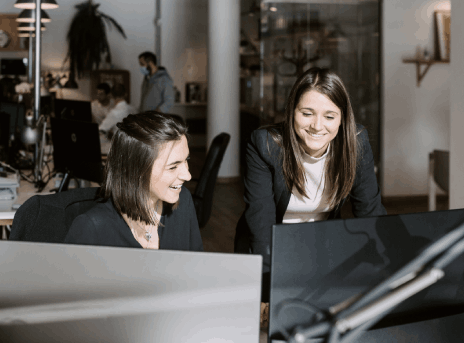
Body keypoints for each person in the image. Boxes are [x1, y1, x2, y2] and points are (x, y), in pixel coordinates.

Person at [234, 67, 386, 302]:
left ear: (342, 118)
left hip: (321, 247)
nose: (317, 126)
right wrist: (265, 292)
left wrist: (390, 268)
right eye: (307, 113)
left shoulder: (356, 142)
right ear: (292, 111)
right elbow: (261, 221)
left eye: (329, 116)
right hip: (267, 249)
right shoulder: (265, 144)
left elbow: (371, 212)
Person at [65, 111, 203, 251]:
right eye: (173, 167)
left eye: (186, 160)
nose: (188, 176)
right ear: (137, 170)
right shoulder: (91, 228)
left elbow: (196, 268)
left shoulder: (183, 201)